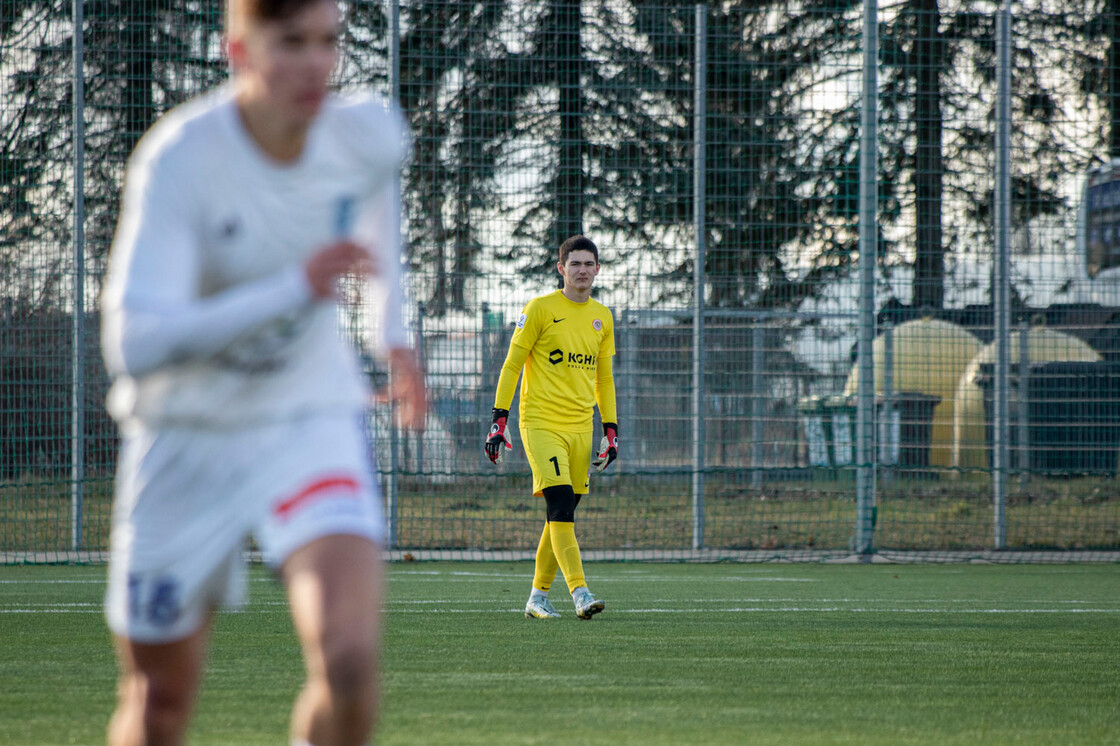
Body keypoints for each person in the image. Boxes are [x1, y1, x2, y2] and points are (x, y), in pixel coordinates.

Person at [99, 0, 425, 744]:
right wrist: (293, 288)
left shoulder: (366, 137)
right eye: (291, 43)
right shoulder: (182, 158)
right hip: (185, 431)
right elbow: (136, 342)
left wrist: (391, 336)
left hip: (305, 417)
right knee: (158, 703)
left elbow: (375, 223)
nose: (316, 63)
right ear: (239, 50)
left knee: (348, 659)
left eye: (328, 42)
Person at [485, 235, 619, 620]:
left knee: (560, 513)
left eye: (588, 264)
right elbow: (512, 365)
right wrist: (499, 419)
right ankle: (580, 591)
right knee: (560, 504)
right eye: (574, 264)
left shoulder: (603, 317)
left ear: (597, 269)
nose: (581, 270)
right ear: (561, 268)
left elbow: (604, 380)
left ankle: (537, 597)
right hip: (540, 422)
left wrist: (610, 430)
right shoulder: (540, 308)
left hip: (581, 428)